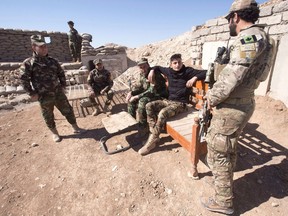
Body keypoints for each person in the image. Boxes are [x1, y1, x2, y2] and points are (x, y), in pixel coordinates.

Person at [201, 0, 275, 214]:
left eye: (228, 20)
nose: (228, 25)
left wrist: (210, 98)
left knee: (219, 151)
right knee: (227, 149)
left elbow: (233, 76)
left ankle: (223, 201)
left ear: (235, 17)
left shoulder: (249, 38)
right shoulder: (265, 37)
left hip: (232, 107)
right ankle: (222, 186)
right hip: (242, 103)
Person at [19, 35, 85, 143]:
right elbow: (23, 80)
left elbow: (61, 73)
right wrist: (31, 93)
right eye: (41, 47)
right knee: (48, 115)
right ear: (33, 47)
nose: (44, 48)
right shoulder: (28, 63)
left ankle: (76, 128)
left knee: (68, 110)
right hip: (43, 95)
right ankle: (55, 133)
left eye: (45, 46)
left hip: (58, 92)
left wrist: (63, 86)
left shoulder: (53, 61)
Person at [138, 54, 206, 155]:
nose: (177, 65)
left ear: (182, 62)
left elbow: (206, 72)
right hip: (169, 101)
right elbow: (158, 67)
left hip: (181, 104)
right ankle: (153, 134)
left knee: (162, 113)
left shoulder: (187, 71)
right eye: (175, 63)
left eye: (179, 62)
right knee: (149, 106)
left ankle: (153, 139)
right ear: (171, 64)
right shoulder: (169, 71)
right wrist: (152, 70)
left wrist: (194, 78)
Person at [126, 58, 168, 138]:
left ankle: (143, 128)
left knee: (142, 101)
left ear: (148, 65)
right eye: (141, 67)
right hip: (151, 94)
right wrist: (131, 93)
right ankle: (132, 124)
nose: (143, 69)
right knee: (131, 101)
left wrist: (137, 96)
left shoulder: (155, 74)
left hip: (160, 96)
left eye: (144, 66)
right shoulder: (142, 74)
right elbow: (142, 88)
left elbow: (152, 90)